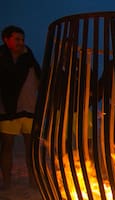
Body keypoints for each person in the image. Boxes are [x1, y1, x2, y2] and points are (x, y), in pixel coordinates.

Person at [0, 25, 41, 189]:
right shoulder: (2, 56)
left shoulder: (28, 56)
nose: (21, 42)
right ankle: (7, 182)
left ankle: (33, 180)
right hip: (8, 109)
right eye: (17, 39)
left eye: (22, 39)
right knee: (7, 146)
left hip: (29, 109)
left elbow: (39, 78)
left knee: (31, 147)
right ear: (6, 39)